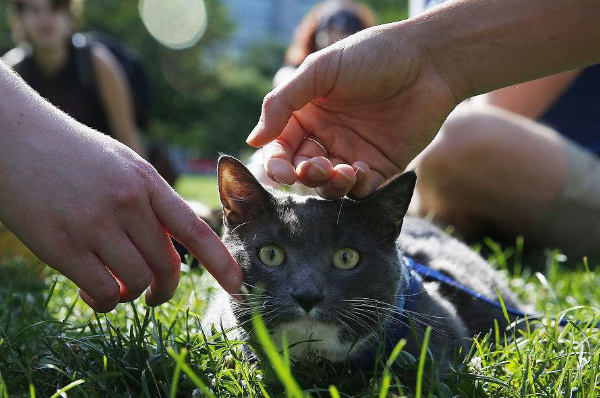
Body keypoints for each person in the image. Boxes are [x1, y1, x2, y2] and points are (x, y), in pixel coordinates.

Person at [247, 0, 600, 255]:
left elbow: (489, 120)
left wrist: (424, 61)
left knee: (461, 139)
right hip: (465, 192)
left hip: (559, 168)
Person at [0, 60, 243, 312]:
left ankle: (205, 216)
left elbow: (126, 133)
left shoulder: (94, 60)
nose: (43, 19)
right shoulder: (17, 62)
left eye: (56, 15)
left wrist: (135, 192)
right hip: (67, 188)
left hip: (106, 177)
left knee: (176, 229)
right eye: (30, 15)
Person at [248, 0, 375, 192]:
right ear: (315, 33)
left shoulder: (373, 82)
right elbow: (283, 81)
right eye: (330, 26)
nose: (338, 34)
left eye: (349, 26)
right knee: (259, 168)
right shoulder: (291, 72)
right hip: (298, 154)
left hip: (352, 157)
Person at [3, 0, 146, 157]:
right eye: (34, 10)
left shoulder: (96, 63)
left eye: (55, 8)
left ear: (69, 15)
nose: (45, 19)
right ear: (20, 19)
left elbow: (126, 136)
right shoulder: (12, 71)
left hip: (101, 171)